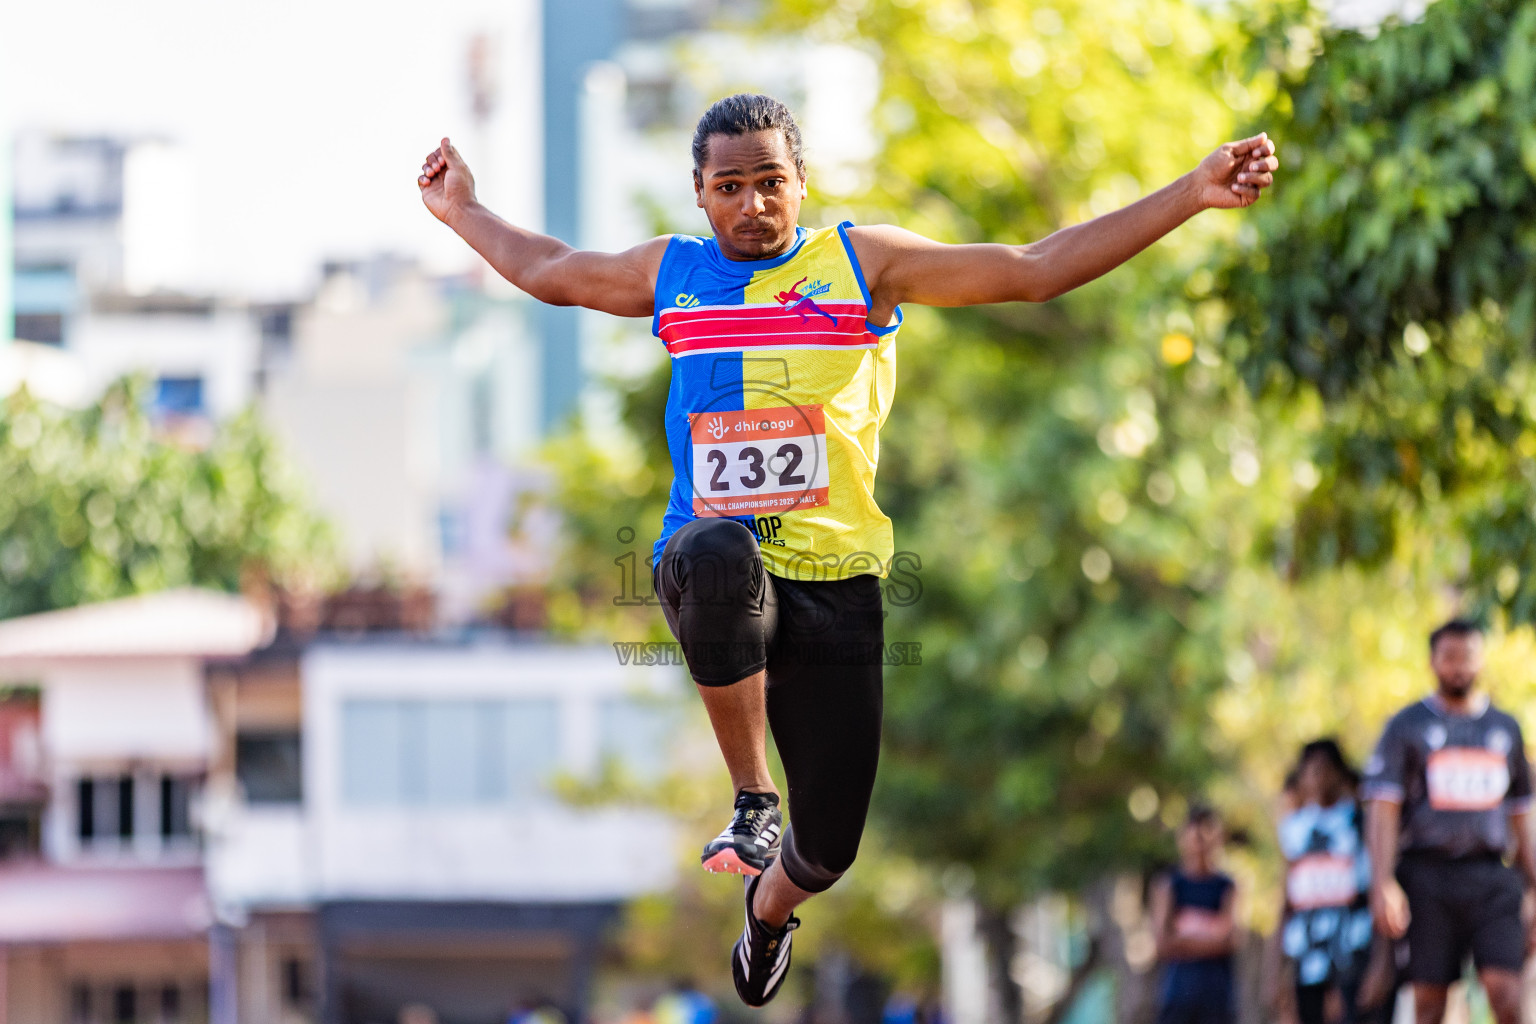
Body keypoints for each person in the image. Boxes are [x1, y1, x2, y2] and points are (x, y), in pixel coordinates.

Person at [418, 93, 1278, 1007]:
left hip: (836, 578)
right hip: (711, 561)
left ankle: (769, 909)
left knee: (829, 847)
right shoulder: (672, 273)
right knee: (715, 551)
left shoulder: (865, 264)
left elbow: (1034, 268)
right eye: (729, 187)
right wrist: (462, 210)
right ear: (700, 196)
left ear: (801, 183)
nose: (752, 205)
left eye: (770, 183)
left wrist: (1190, 192)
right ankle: (753, 800)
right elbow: (552, 267)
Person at [1362, 619, 1536, 1024]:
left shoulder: (1504, 729)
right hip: (1427, 877)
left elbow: (1522, 817)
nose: (1458, 667)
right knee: (1428, 1003)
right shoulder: (1406, 727)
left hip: (1492, 876)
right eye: (1449, 657)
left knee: (1507, 993)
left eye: (1467, 657)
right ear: (1433, 661)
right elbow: (1383, 809)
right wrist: (1382, 882)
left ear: (1482, 661)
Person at [1276, 739, 1393, 1024]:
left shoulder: (1360, 823)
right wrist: (1276, 972)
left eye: (1324, 768)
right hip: (1308, 964)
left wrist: (1382, 962)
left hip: (1355, 957)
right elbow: (1286, 901)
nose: (1317, 776)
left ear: (1340, 774)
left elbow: (1381, 893)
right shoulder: (1294, 830)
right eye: (1310, 769)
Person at [1150, 805, 1238, 1024]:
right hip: (1177, 997)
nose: (1200, 843)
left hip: (1217, 998)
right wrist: (1211, 938)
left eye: (1206, 835)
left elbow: (1232, 941)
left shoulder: (1227, 886)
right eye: (1195, 836)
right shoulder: (1168, 885)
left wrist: (1182, 941)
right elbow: (1162, 944)